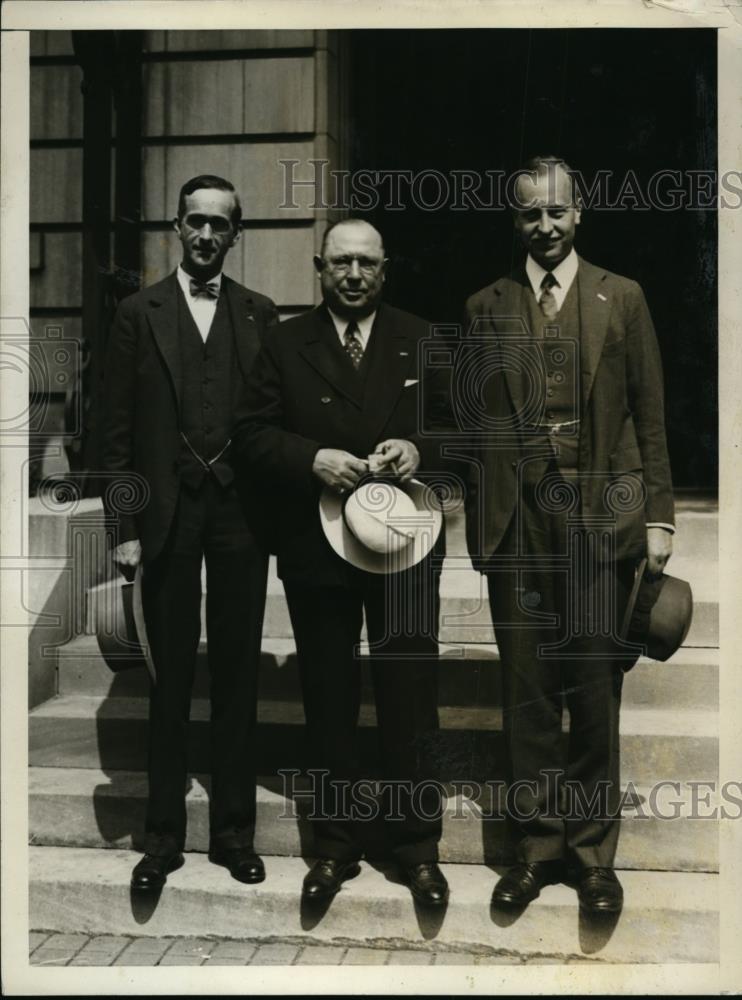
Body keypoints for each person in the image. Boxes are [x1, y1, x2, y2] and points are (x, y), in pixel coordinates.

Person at [462, 156, 674, 915]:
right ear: (514, 220)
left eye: (556, 212)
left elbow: (648, 414)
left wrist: (658, 517)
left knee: (592, 694)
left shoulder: (624, 298)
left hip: (600, 521)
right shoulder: (486, 305)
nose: (544, 227)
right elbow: (474, 427)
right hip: (519, 524)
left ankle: (592, 859)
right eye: (529, 215)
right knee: (524, 695)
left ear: (578, 212)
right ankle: (535, 850)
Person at [234, 218, 450, 907]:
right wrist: (311, 459)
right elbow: (249, 434)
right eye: (339, 264)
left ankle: (417, 848)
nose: (353, 275)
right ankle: (334, 846)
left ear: (384, 270)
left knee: (409, 694)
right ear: (318, 269)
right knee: (328, 694)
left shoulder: (421, 336)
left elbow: (462, 431)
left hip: (405, 543)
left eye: (366, 263)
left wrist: (419, 450)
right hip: (315, 543)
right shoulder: (283, 342)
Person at [102, 174, 278, 891]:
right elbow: (112, 431)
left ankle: (235, 832)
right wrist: (123, 525)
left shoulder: (261, 314)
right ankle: (162, 836)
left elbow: (274, 423)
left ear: (237, 234)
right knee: (170, 678)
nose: (207, 235)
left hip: (241, 514)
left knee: (237, 675)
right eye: (195, 222)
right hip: (167, 514)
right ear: (177, 228)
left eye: (220, 224)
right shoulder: (136, 314)